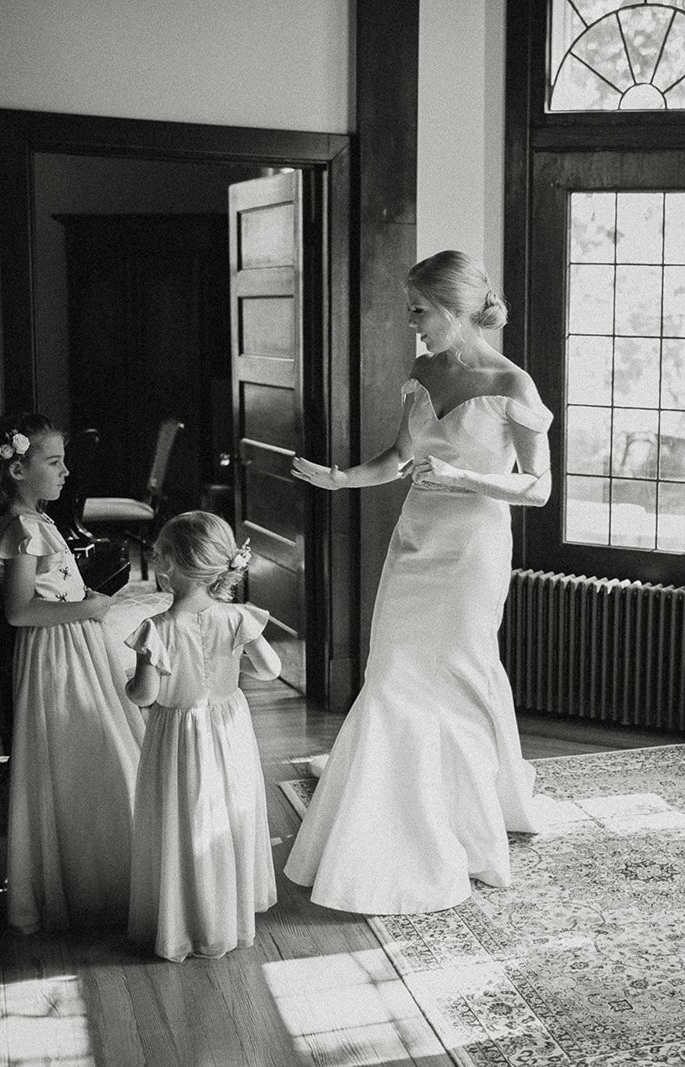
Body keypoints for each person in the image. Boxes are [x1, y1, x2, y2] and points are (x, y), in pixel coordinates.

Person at [284, 250, 555, 914]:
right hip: (414, 540)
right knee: (393, 672)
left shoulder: (513, 384)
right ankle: (388, 814)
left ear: (456, 309)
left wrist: (469, 479)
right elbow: (401, 458)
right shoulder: (424, 370)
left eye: (419, 310)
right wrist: (342, 478)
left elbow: (539, 487)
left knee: (459, 672)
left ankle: (462, 823)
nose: (413, 324)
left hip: (472, 547)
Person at [0, 413, 146, 933]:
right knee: (80, 757)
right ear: (17, 469)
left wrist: (86, 606)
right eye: (53, 462)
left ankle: (113, 873)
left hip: (73, 646)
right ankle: (97, 881)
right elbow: (20, 610)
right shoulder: (24, 526)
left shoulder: (36, 519)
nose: (65, 472)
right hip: (56, 653)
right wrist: (90, 608)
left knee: (96, 751)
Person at [123, 510, 281, 961]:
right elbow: (271, 670)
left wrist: (127, 683)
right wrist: (237, 661)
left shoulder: (157, 630)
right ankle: (228, 911)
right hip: (229, 730)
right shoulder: (237, 618)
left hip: (179, 736)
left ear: (168, 565)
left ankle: (186, 918)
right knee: (227, 814)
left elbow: (143, 695)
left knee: (184, 819)